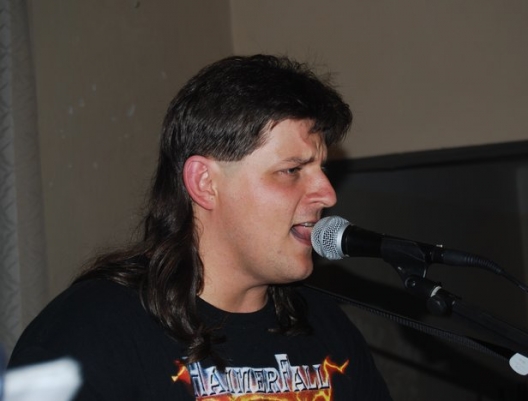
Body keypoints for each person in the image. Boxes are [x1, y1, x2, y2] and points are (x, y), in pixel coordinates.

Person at [9, 54, 393, 400]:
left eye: (322, 170)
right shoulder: (91, 329)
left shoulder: (327, 326)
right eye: (292, 170)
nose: (327, 193)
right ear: (205, 183)